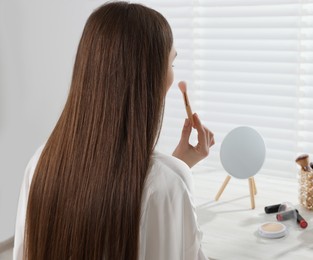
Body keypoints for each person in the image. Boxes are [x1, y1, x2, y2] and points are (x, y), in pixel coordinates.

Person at [13, 2, 214, 260]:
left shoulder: (41, 164)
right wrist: (176, 170)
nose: (172, 76)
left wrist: (176, 165)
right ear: (150, 78)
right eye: (171, 64)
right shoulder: (169, 184)